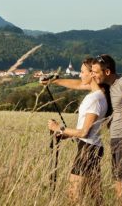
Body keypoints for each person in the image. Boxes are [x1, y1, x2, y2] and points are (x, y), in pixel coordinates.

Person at [42, 54, 122, 200]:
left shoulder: (121, 84)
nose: (92, 75)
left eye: (95, 72)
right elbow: (79, 84)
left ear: (107, 72)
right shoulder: (107, 85)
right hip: (116, 141)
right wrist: (53, 81)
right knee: (105, 194)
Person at [46, 57, 112, 203]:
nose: (80, 75)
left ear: (92, 74)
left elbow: (84, 132)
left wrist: (59, 128)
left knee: (73, 195)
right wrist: (64, 134)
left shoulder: (95, 99)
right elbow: (87, 128)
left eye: (82, 72)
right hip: (93, 147)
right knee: (96, 197)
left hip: (87, 149)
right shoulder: (99, 95)